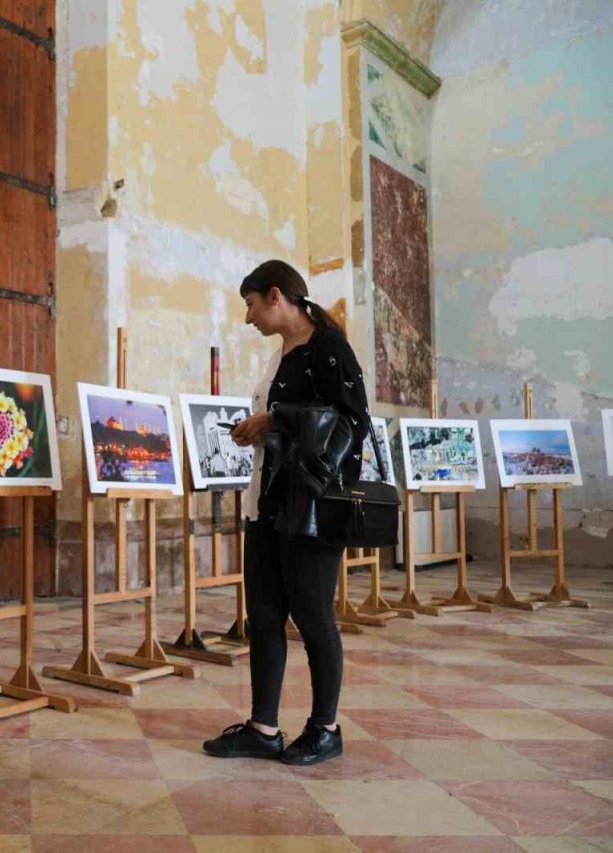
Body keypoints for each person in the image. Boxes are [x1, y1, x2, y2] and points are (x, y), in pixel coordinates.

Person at [203, 260, 370, 766]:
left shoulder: (328, 347)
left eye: (251, 305)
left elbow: (354, 421)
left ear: (276, 296)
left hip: (313, 507)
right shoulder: (283, 354)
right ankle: (263, 727)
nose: (248, 317)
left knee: (315, 618)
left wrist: (274, 419)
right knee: (266, 615)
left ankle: (326, 728)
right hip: (271, 502)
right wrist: (260, 428)